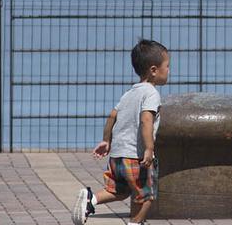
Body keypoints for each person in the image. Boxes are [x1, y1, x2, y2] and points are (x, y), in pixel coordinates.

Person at [71, 39, 170, 225]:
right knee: (147, 195)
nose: (169, 71)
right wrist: (149, 148)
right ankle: (135, 223)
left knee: (119, 191)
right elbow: (146, 119)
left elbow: (112, 116)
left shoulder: (129, 93)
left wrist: (106, 141)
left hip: (117, 155)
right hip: (136, 156)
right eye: (167, 66)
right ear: (154, 70)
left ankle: (91, 199)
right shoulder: (151, 93)